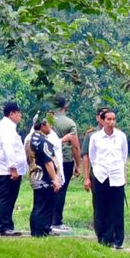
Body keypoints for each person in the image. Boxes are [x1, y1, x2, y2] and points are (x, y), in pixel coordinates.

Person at [89, 109, 128, 248]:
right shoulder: (95, 137)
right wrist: (99, 170)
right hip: (101, 175)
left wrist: (122, 173)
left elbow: (124, 156)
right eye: (108, 119)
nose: (111, 122)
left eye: (114, 119)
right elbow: (92, 157)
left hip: (116, 175)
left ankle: (117, 240)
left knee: (117, 209)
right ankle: (103, 238)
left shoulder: (121, 136)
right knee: (101, 208)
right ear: (102, 120)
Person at [0, 102, 27, 236]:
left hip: (5, 169)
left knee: (7, 198)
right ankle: (2, 227)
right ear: (12, 113)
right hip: (6, 170)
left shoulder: (7, 127)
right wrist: (13, 167)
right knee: (4, 198)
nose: (20, 116)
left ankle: (6, 225)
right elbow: (8, 148)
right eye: (19, 113)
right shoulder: (6, 128)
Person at [51, 94, 81, 231]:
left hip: (49, 159)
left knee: (50, 189)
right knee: (61, 190)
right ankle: (57, 221)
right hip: (65, 159)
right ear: (65, 107)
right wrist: (78, 164)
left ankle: (48, 219)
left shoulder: (46, 120)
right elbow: (75, 145)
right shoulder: (70, 123)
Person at [26, 118, 61, 236]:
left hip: (34, 175)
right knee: (45, 207)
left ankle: (36, 230)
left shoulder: (30, 139)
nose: (51, 126)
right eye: (49, 124)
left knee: (38, 205)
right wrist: (55, 179)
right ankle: (42, 231)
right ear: (42, 125)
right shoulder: (43, 142)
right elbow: (48, 161)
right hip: (44, 178)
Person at [82, 107, 108, 236]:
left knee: (113, 205)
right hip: (97, 174)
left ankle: (112, 234)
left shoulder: (117, 134)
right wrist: (86, 177)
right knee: (98, 205)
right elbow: (86, 156)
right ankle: (101, 235)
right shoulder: (91, 135)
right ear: (98, 118)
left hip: (112, 175)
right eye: (102, 116)